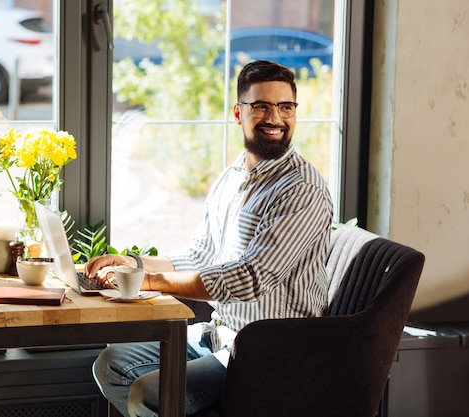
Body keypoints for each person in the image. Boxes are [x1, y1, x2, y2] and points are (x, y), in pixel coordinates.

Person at [85, 60, 334, 417]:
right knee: (111, 363)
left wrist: (150, 282)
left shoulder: (301, 189)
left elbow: (249, 278)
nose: (275, 118)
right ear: (238, 113)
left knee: (148, 393)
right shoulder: (232, 178)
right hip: (218, 336)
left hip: (270, 354)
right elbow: (200, 253)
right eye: (261, 106)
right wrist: (132, 264)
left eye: (285, 107)